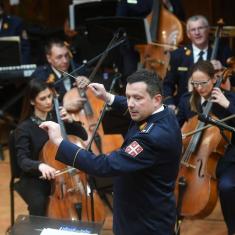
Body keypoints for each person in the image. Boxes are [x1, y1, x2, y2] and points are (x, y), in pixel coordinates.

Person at [40, 69, 182, 235]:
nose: (130, 104)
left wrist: (59, 142)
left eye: (137, 98)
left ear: (157, 99)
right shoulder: (165, 113)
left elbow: (104, 166)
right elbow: (131, 105)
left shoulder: (151, 138)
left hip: (144, 223)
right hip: (144, 212)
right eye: (128, 96)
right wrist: (107, 97)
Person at [176, 60, 235, 235]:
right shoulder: (187, 100)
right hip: (192, 157)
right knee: (172, 183)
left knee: (227, 187)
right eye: (195, 84)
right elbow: (174, 125)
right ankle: (171, 227)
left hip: (227, 157)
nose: (200, 88)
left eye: (204, 83)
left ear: (214, 79)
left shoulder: (229, 98)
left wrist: (227, 105)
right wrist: (176, 134)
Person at [14, 78, 88, 216]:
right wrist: (40, 166)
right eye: (43, 98)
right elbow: (22, 160)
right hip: (35, 176)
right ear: (32, 101)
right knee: (39, 202)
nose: (48, 101)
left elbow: (83, 136)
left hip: (63, 173)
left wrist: (71, 121)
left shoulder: (58, 118)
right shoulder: (24, 129)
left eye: (49, 96)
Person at [163, 15, 233, 110]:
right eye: (193, 30)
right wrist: (169, 103)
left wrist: (223, 68)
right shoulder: (177, 55)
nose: (197, 33)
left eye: (200, 28)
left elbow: (233, 81)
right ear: (188, 34)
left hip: (215, 105)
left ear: (208, 30)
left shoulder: (223, 51)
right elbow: (168, 84)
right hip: (185, 106)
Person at [32, 38, 87, 109]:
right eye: (59, 57)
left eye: (66, 55)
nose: (65, 61)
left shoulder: (79, 70)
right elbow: (41, 105)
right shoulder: (40, 76)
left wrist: (88, 85)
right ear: (49, 58)